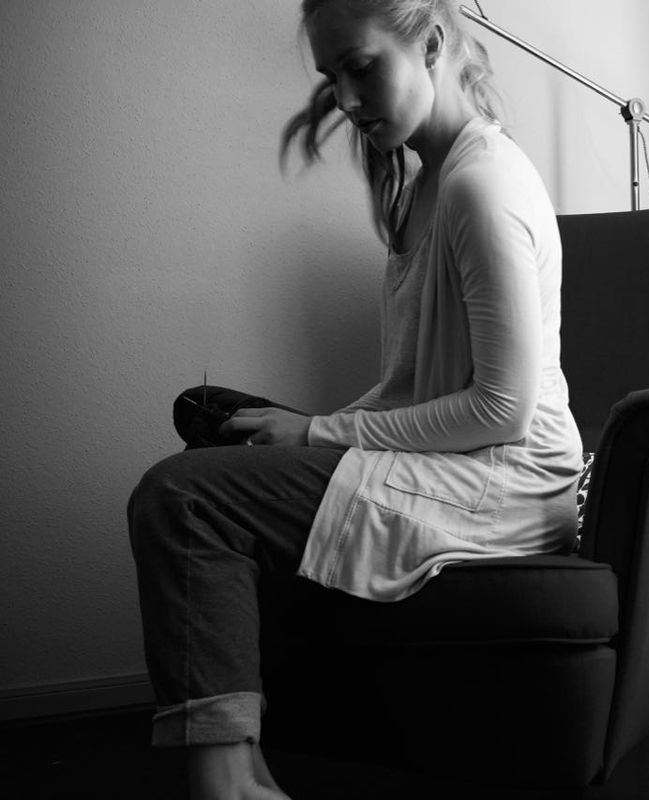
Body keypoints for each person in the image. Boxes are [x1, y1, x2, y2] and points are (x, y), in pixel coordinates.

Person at [127, 0, 582, 797]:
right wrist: (304, 428)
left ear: (431, 44)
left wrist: (317, 433)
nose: (343, 99)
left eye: (360, 67)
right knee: (213, 422)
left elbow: (500, 412)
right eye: (331, 76)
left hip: (502, 479)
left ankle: (228, 784)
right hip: (462, 457)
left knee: (179, 498)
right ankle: (245, 761)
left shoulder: (483, 185)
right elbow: (418, 385)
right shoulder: (426, 184)